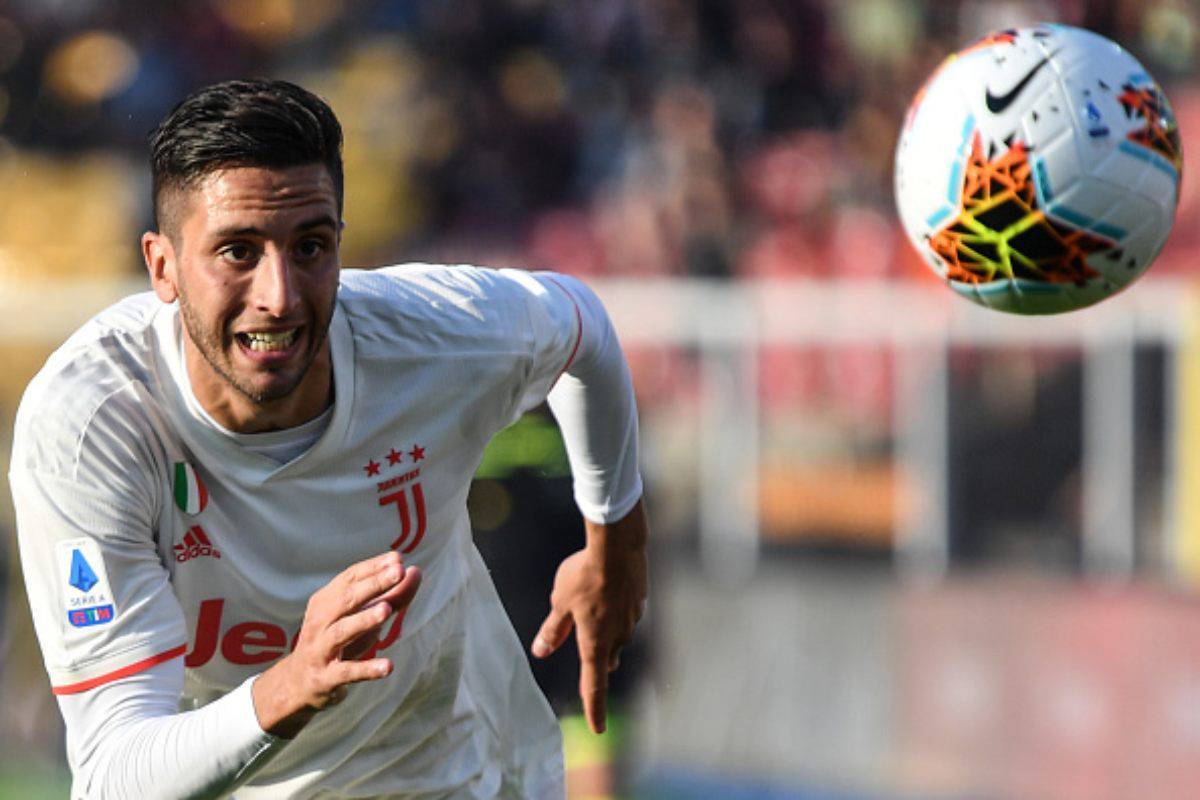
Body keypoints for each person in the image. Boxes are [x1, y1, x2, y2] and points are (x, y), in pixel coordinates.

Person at [10, 79, 648, 799]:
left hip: (443, 774)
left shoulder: (430, 337)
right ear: (162, 266)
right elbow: (113, 777)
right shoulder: (94, 425)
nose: (279, 294)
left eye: (309, 245)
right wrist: (291, 684)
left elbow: (582, 326)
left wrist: (616, 540)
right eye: (237, 252)